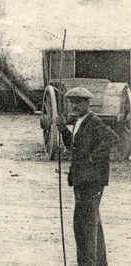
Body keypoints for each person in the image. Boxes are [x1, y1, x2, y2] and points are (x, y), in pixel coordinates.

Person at [55, 87, 119, 266]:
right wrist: (62, 129)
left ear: (87, 103)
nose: (74, 106)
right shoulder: (78, 122)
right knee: (91, 223)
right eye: (71, 102)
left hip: (91, 181)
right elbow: (74, 147)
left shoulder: (93, 121)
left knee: (84, 226)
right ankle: (99, 263)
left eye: (78, 102)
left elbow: (112, 139)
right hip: (82, 180)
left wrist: (92, 158)